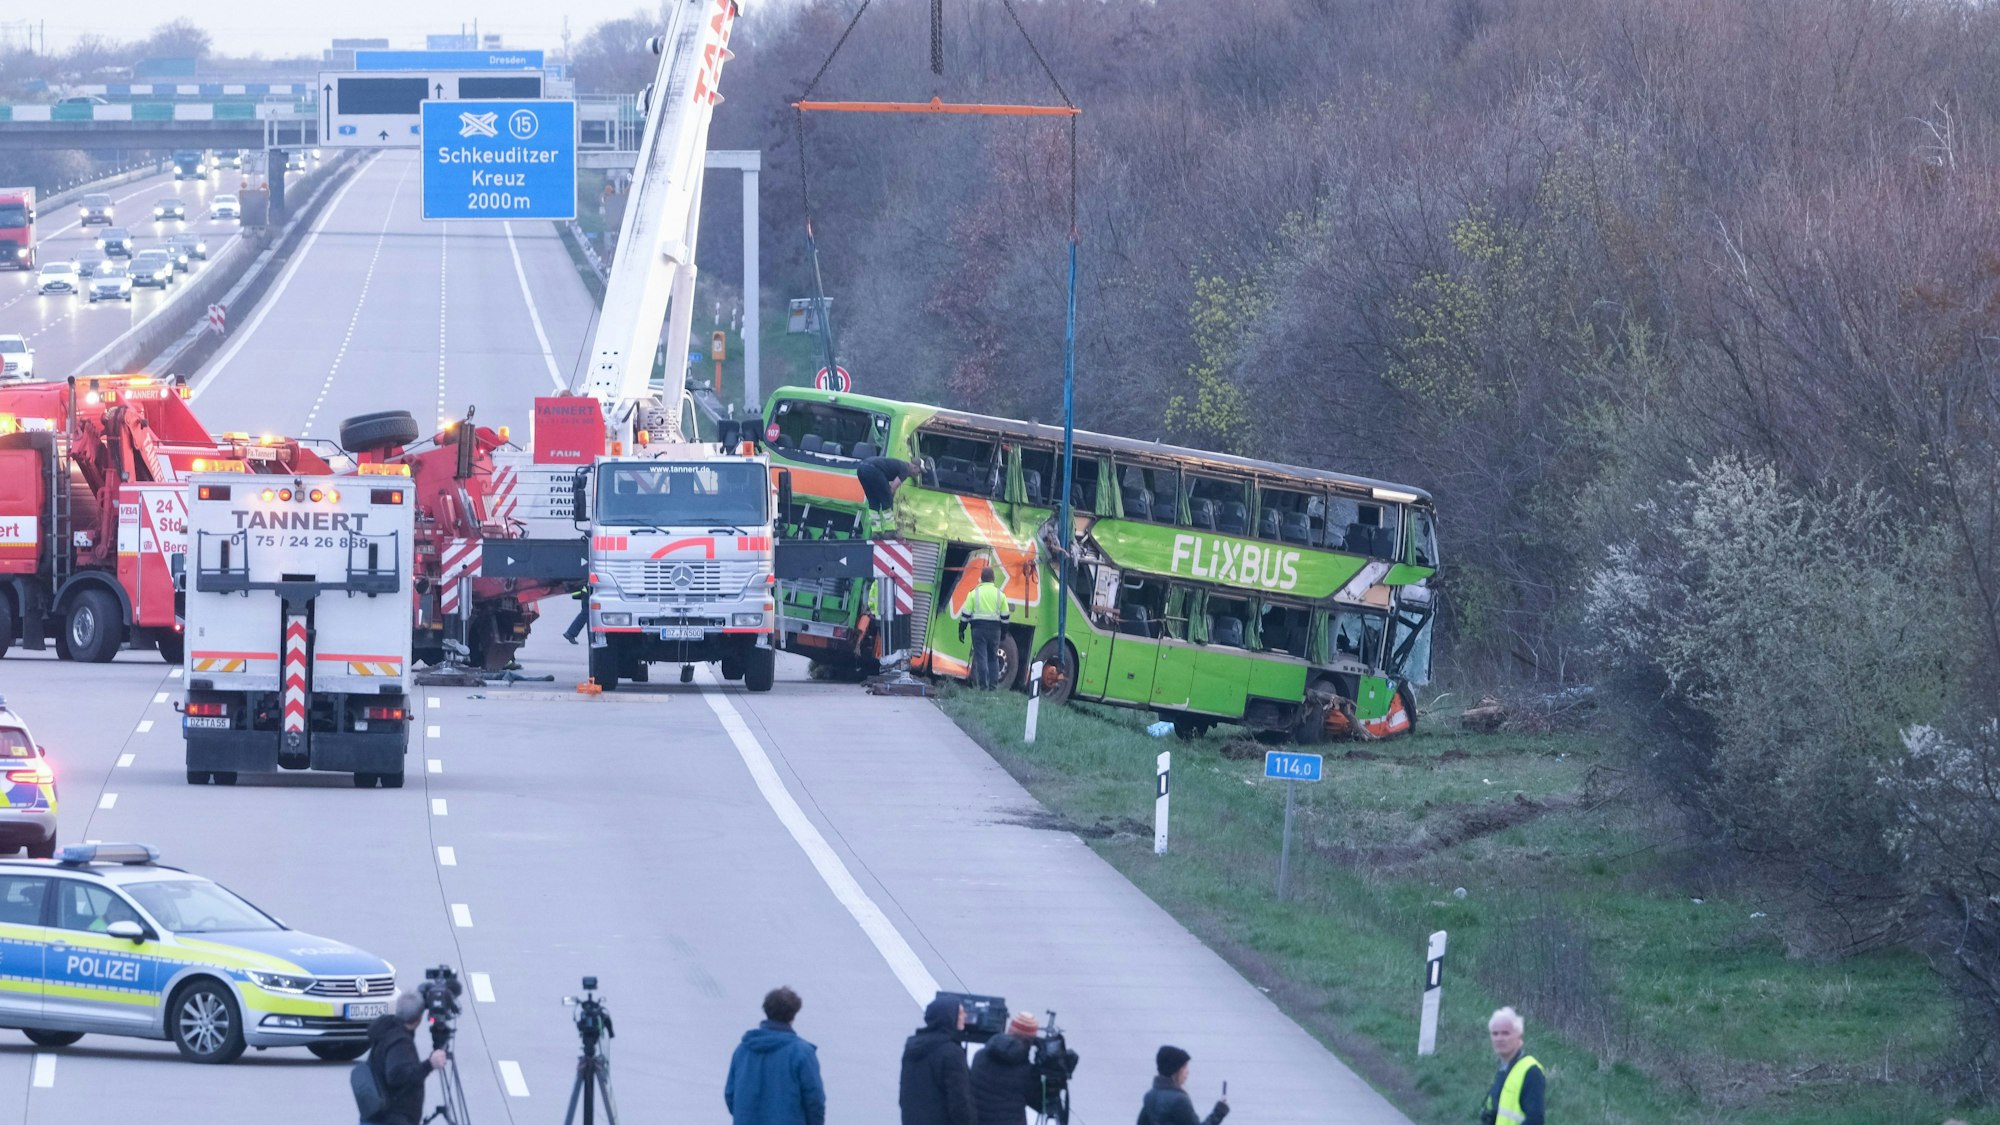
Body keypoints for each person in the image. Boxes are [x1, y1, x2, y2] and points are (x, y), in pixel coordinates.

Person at [724, 986, 827, 1125]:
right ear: (793, 1015)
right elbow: (815, 1101)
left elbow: (730, 1095)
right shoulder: (802, 1053)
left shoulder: (742, 1050)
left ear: (766, 1011)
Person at [362, 992, 447, 1125]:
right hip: (391, 1118)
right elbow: (397, 1075)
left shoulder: (388, 1028)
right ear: (419, 1018)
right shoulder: (400, 1042)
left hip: (376, 1114)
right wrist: (430, 1064)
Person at [900, 996, 975, 1125]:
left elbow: (905, 1093)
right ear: (950, 1017)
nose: (965, 1017)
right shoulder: (952, 1052)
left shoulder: (912, 1046)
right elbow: (959, 1100)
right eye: (961, 1013)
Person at [969, 1011, 1044, 1125]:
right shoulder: (1027, 1072)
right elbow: (1042, 1105)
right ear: (1031, 1041)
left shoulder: (980, 1055)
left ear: (1009, 1030)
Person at [1479, 1007, 1544, 1125]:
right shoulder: (1503, 1069)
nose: (1499, 1038)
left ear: (1519, 1036)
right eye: (1495, 1033)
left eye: (1505, 1033)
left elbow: (1535, 1120)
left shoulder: (1531, 1071)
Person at [1137, 1045, 1228, 1125]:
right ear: (1174, 1070)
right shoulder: (1180, 1100)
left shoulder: (1149, 1096)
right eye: (1184, 1067)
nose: (1187, 1071)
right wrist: (1219, 1112)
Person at [956, 565, 1011, 689]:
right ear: (993, 579)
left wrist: (961, 630)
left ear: (981, 578)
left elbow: (965, 615)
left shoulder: (973, 594)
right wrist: (1004, 633)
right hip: (995, 630)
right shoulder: (1000, 595)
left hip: (978, 629)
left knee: (981, 657)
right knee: (993, 658)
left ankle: (983, 686)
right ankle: (993, 686)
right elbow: (1005, 617)